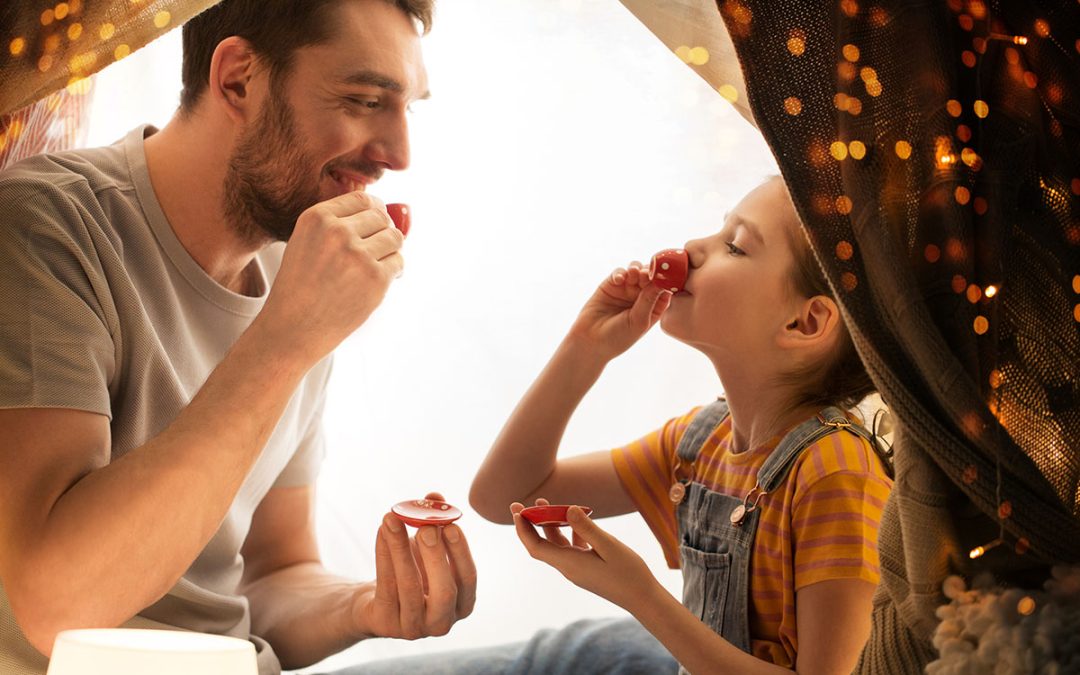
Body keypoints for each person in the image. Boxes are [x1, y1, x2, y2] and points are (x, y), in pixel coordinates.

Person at [0, 2, 477, 674]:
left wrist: (366, 606)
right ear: (236, 80)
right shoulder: (45, 227)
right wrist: (284, 339)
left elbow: (274, 572)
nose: (399, 153)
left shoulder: (295, 268)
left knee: (610, 651)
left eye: (407, 108)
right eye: (366, 99)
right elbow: (57, 607)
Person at [466, 175, 894, 674]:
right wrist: (587, 346)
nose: (691, 248)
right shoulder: (700, 443)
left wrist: (642, 596)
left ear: (804, 324)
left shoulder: (837, 473)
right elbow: (503, 497)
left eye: (734, 246)